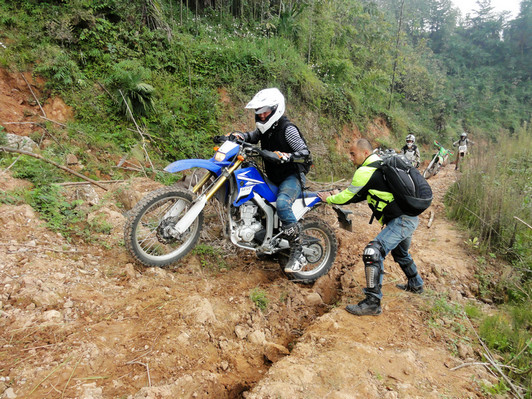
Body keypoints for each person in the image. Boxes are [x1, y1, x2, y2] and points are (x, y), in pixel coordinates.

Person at [317, 138, 424, 316]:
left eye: (353, 154)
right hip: (408, 217)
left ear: (365, 153)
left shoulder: (366, 170)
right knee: (400, 252)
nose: (350, 157)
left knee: (372, 252)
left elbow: (349, 196)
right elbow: (363, 193)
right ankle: (416, 284)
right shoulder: (379, 164)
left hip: (402, 220)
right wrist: (340, 195)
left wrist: (328, 198)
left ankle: (373, 302)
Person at [236, 88, 312, 273]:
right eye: (259, 112)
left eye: (265, 111)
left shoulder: (288, 129)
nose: (261, 115)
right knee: (258, 202)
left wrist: (285, 156)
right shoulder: (265, 129)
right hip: (273, 177)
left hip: (291, 177)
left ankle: (298, 251)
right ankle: (267, 242)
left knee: (282, 204)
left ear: (276, 109)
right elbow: (252, 136)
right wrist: (238, 136)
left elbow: (305, 154)